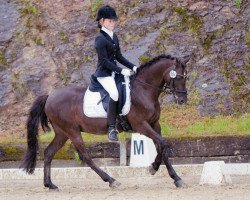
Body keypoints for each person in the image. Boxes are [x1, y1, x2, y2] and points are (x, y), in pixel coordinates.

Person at [93, 5, 137, 141]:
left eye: (114, 21)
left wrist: (133, 66)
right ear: (102, 21)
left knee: (128, 88)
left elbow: (119, 56)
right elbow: (105, 61)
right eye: (110, 21)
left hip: (114, 72)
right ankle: (111, 128)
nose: (113, 23)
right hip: (104, 74)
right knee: (114, 93)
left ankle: (124, 120)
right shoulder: (100, 39)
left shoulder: (114, 37)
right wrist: (121, 70)